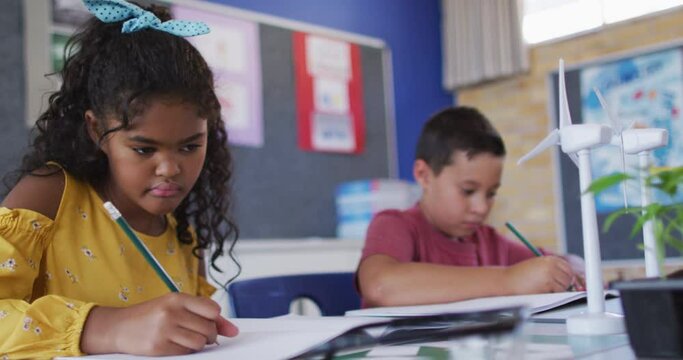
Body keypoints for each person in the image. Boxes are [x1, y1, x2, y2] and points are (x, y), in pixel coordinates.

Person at [0, 0, 241, 357]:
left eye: (190, 147)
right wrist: (105, 327)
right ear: (96, 129)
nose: (170, 169)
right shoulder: (50, 195)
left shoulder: (184, 234)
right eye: (144, 149)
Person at [356, 106, 585, 308]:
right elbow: (380, 286)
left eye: (491, 193)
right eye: (468, 191)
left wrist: (569, 269)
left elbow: (550, 262)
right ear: (423, 175)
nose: (481, 208)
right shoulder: (394, 225)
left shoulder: (488, 241)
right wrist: (507, 279)